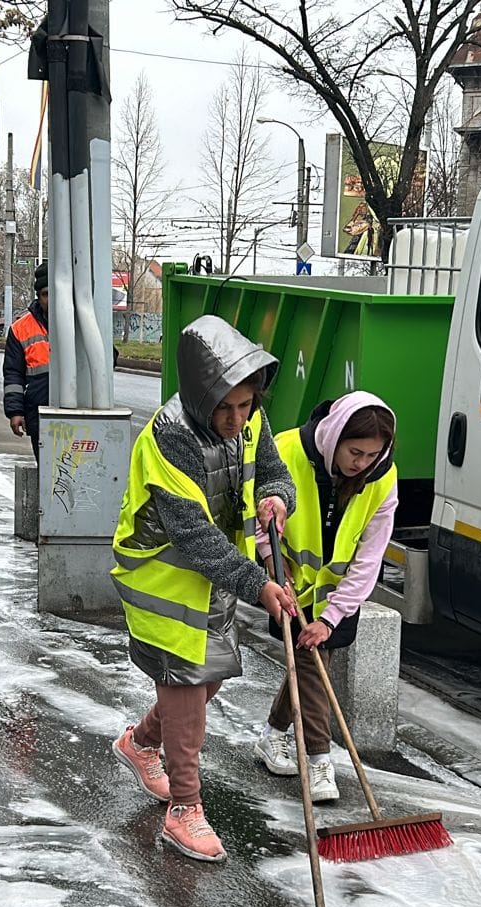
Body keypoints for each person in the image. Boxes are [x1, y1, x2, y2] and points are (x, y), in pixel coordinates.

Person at [110, 315, 297, 863]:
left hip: (211, 578)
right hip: (161, 575)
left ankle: (141, 742)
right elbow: (191, 536)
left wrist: (276, 498)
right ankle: (184, 808)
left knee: (200, 683)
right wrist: (258, 584)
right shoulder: (170, 436)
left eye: (245, 407)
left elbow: (272, 471)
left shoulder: (250, 419)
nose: (236, 421)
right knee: (189, 689)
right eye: (225, 409)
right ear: (199, 396)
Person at [251, 392, 397, 804]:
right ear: (336, 437)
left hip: (340, 591)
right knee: (312, 667)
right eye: (355, 452)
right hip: (287, 580)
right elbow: (259, 520)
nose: (361, 463)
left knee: (310, 660)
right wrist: (273, 565)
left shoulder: (382, 478)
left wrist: (330, 618)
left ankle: (273, 736)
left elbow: (370, 556)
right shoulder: (286, 450)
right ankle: (317, 757)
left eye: (372, 454)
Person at [2, 264, 49, 457]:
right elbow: (13, 374)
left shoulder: (83, 321)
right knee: (47, 474)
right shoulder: (20, 328)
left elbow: (107, 360)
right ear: (38, 296)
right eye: (46, 294)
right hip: (39, 412)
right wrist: (15, 411)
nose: (52, 299)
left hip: (80, 411)